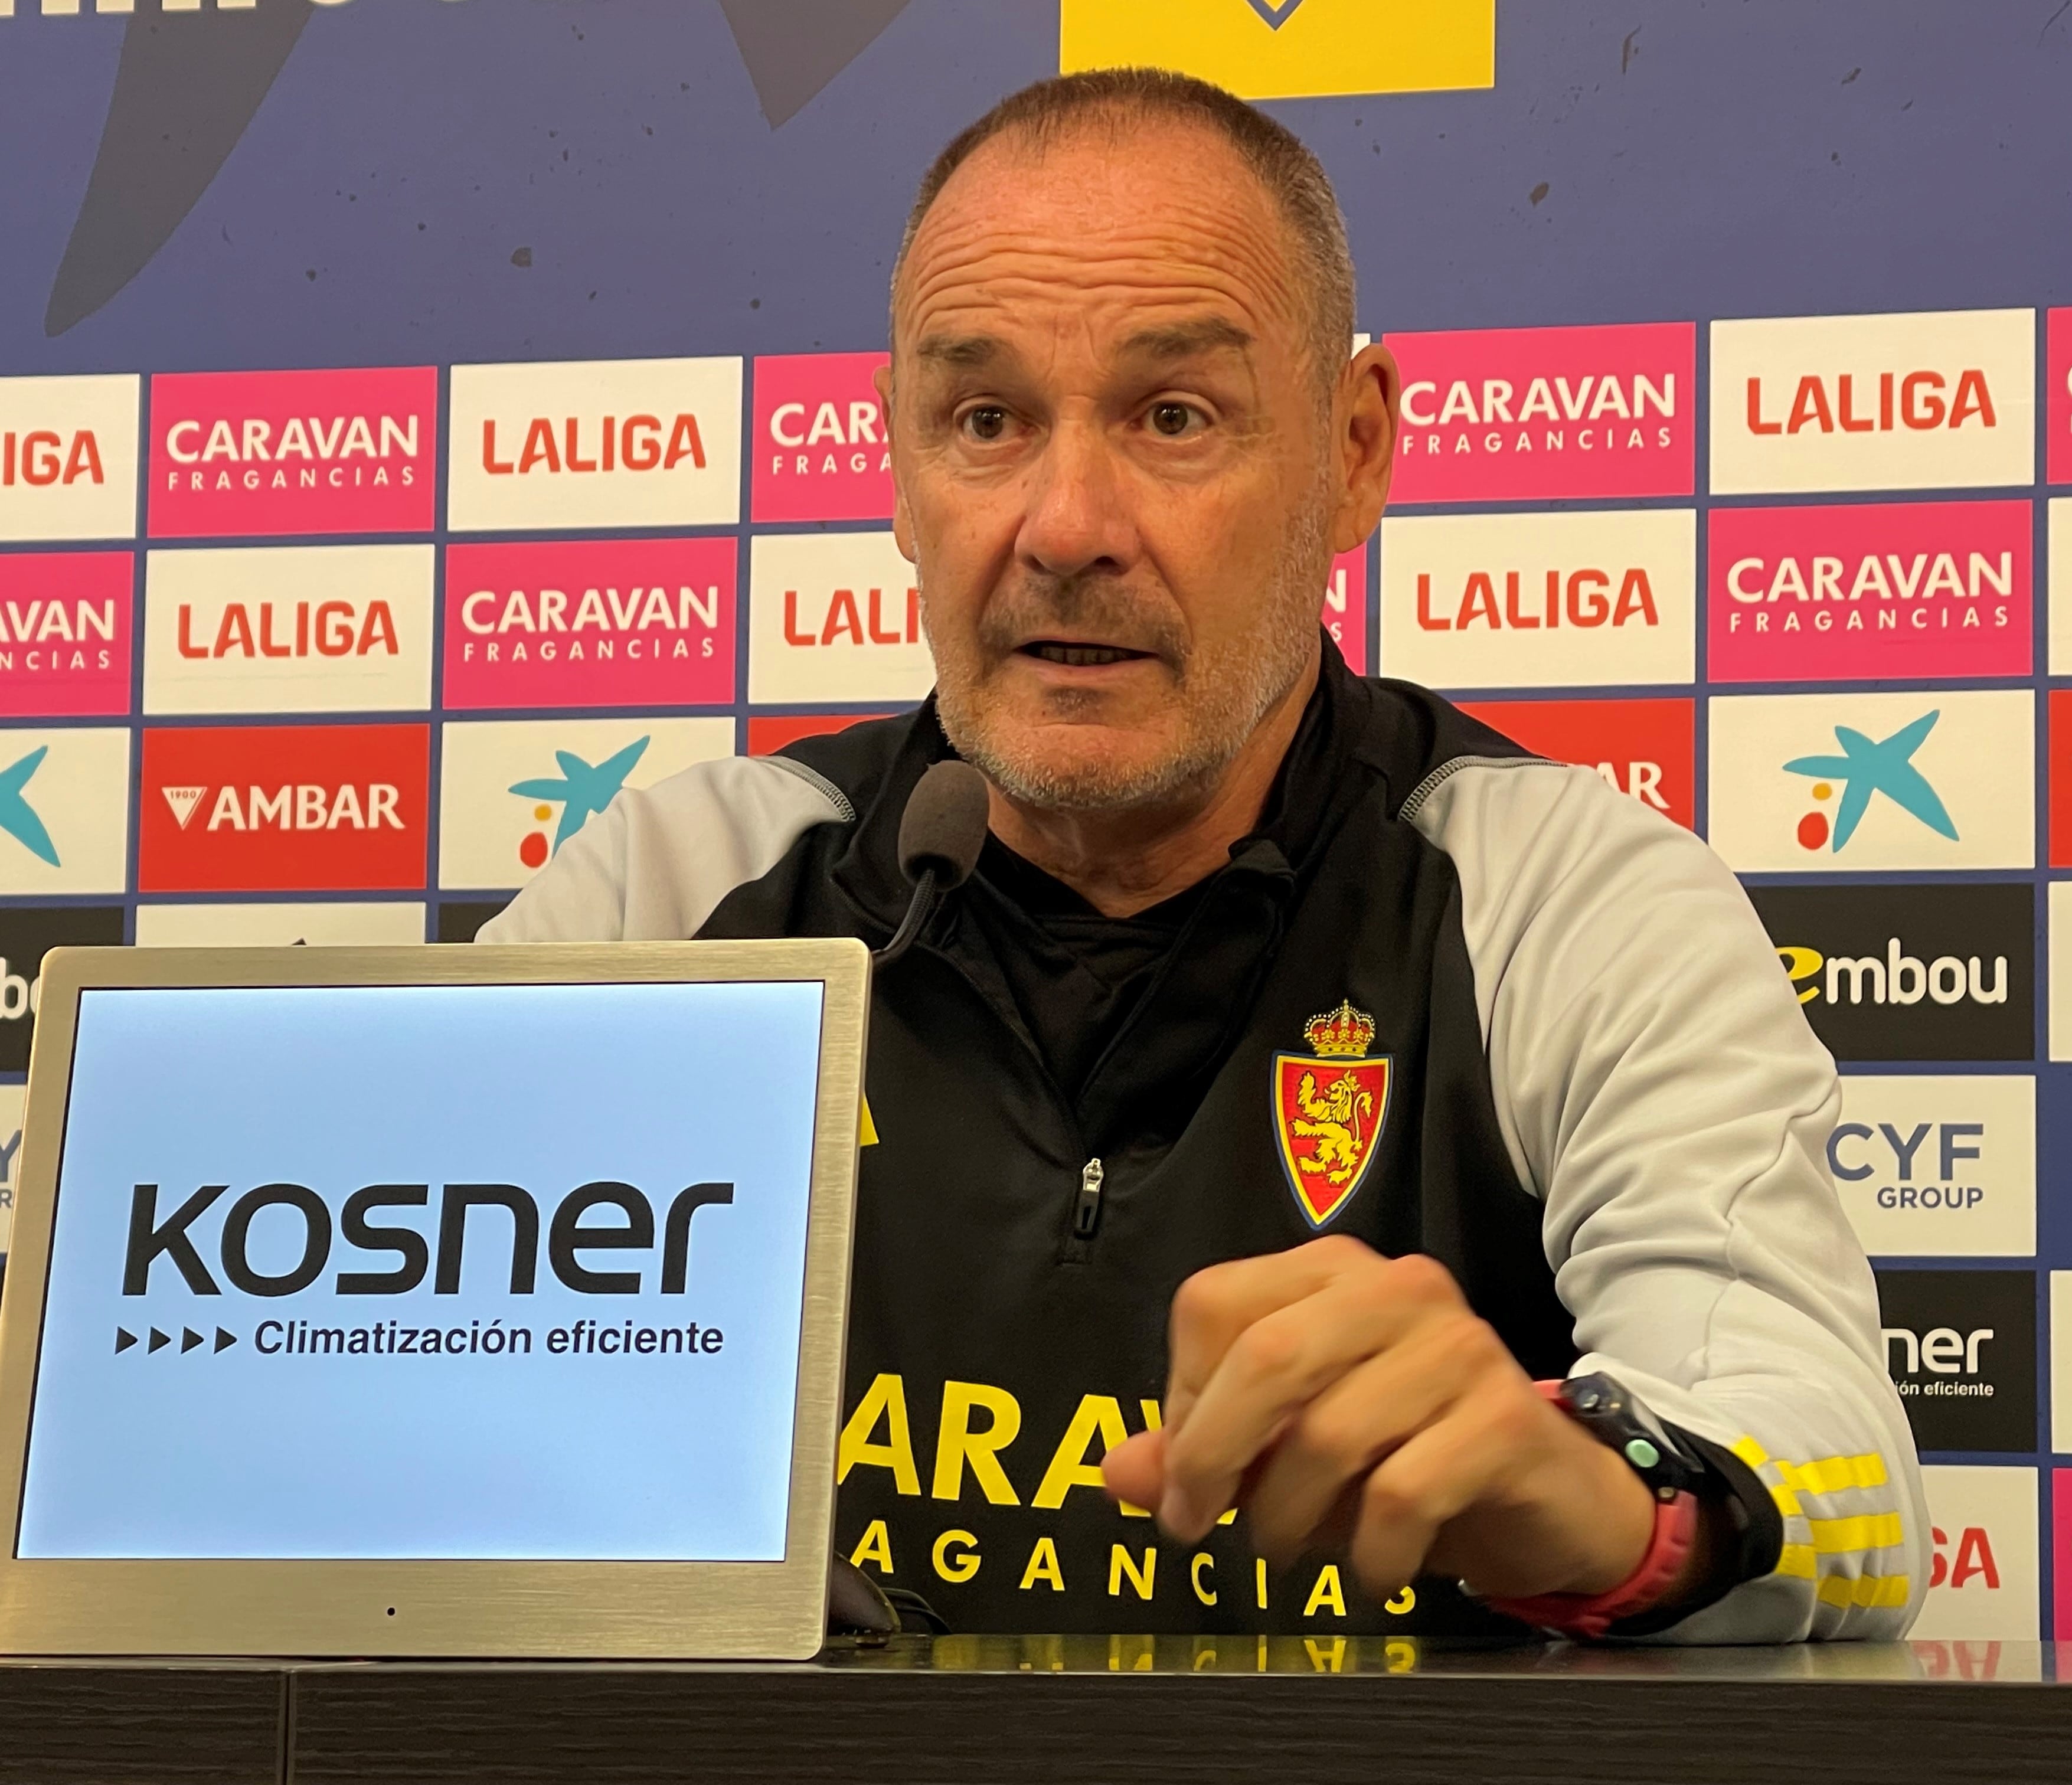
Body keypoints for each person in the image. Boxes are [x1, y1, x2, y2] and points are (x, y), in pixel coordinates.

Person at [483, 68, 1923, 1642]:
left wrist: (1589, 1497)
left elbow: (1832, 1479)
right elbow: (351, 1419)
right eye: (985, 420)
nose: (1065, 523)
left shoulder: (1565, 898)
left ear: (1355, 453)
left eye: (1174, 417)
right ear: (900, 468)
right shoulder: (674, 895)